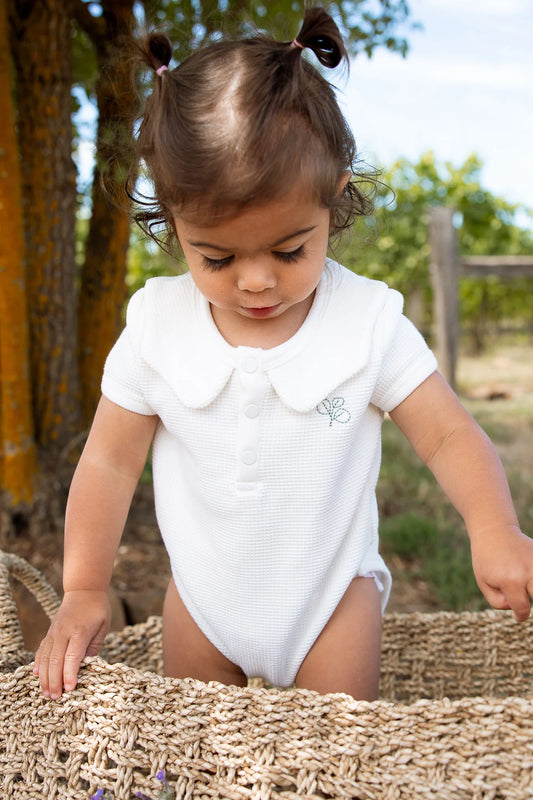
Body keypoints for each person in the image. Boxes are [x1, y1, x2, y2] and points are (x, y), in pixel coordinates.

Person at [35, 7, 533, 702]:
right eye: (217, 256)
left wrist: (493, 527)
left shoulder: (366, 322)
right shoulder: (156, 325)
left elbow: (449, 433)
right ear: (174, 222)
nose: (257, 279)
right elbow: (111, 461)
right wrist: (85, 586)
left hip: (330, 602)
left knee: (329, 755)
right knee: (201, 754)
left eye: (289, 249)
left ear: (332, 201)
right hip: (202, 605)